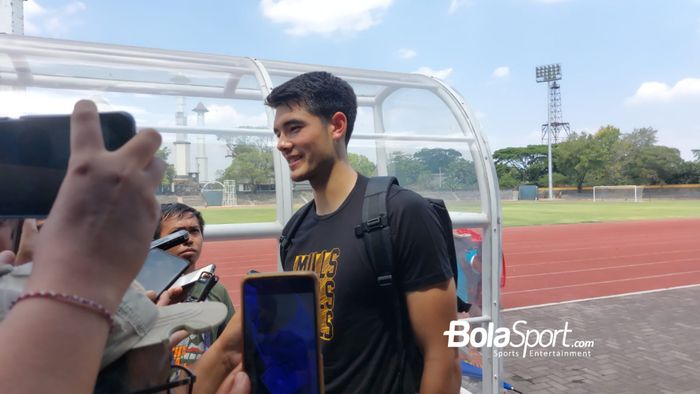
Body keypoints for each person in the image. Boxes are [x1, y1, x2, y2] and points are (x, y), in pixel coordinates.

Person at [266, 72, 461, 393]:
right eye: (278, 132)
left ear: (337, 126)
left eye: (294, 127)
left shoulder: (402, 212)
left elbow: (442, 356)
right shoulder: (294, 231)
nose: (282, 143)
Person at [154, 202, 236, 366]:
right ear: (156, 242)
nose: (188, 239)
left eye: (194, 231)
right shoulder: (145, 295)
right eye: (178, 234)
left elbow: (230, 346)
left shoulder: (215, 290)